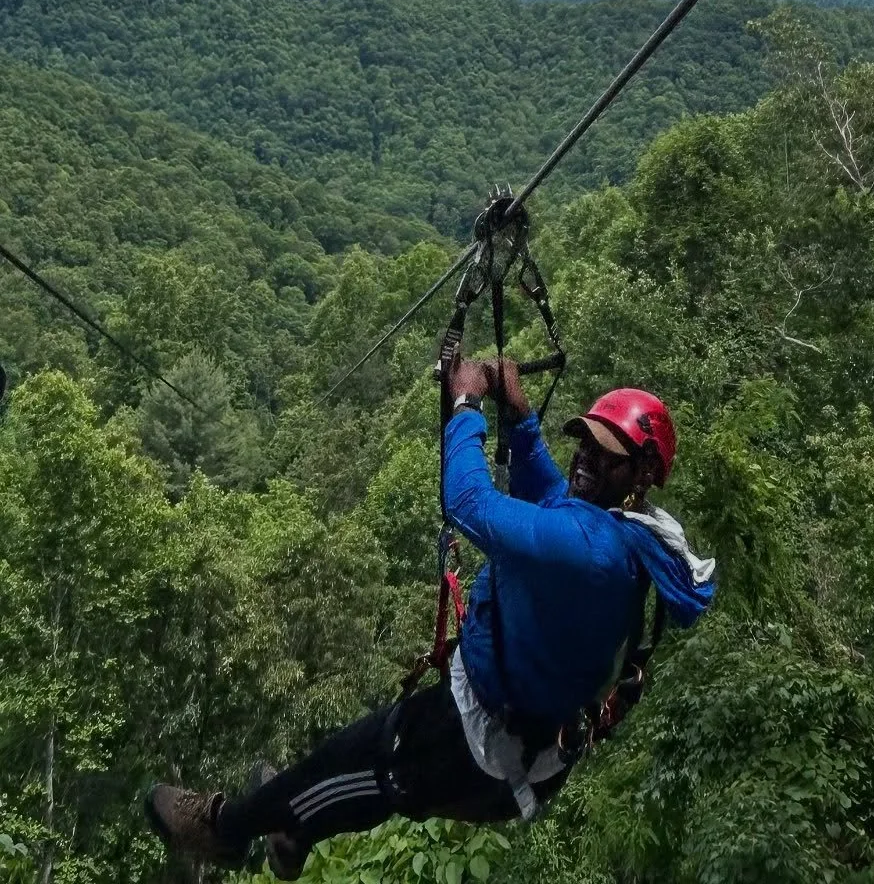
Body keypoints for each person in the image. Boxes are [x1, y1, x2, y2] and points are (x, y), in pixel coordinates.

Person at [147, 357, 715, 877]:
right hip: (525, 747)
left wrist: (467, 405)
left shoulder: (589, 552)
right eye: (585, 443)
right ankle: (296, 829)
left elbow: (469, 502)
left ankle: (227, 830)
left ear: (641, 472)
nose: (586, 457)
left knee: (356, 762)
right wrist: (519, 419)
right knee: (358, 775)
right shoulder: (632, 536)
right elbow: (554, 503)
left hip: (474, 747)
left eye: (605, 452)